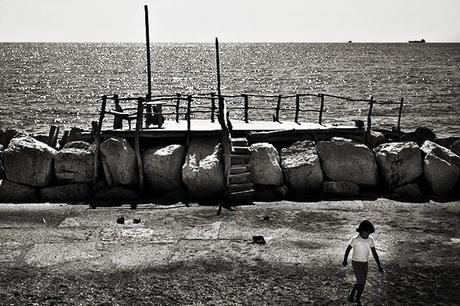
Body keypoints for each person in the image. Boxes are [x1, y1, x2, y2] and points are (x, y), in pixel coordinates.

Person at [342, 220, 384, 305]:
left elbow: (374, 253)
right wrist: (345, 260)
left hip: (365, 263)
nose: (368, 235)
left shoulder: (370, 240)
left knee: (362, 282)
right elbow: (348, 249)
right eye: (366, 233)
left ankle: (354, 296)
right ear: (361, 231)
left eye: (369, 233)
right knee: (360, 282)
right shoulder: (355, 239)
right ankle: (356, 299)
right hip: (356, 262)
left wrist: (379, 265)